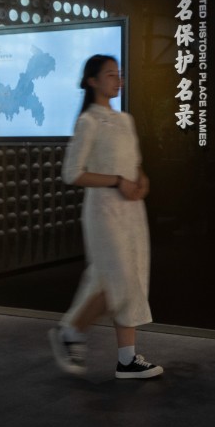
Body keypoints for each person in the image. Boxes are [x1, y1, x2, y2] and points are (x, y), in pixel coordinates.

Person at [49, 54, 162, 380]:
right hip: (104, 212)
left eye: (119, 74)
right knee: (119, 282)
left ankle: (127, 359)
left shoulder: (125, 119)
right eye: (110, 75)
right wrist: (117, 181)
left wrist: (141, 179)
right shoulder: (88, 122)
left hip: (131, 211)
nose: (118, 80)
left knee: (129, 278)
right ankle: (70, 331)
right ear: (92, 81)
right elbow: (72, 173)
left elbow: (134, 162)